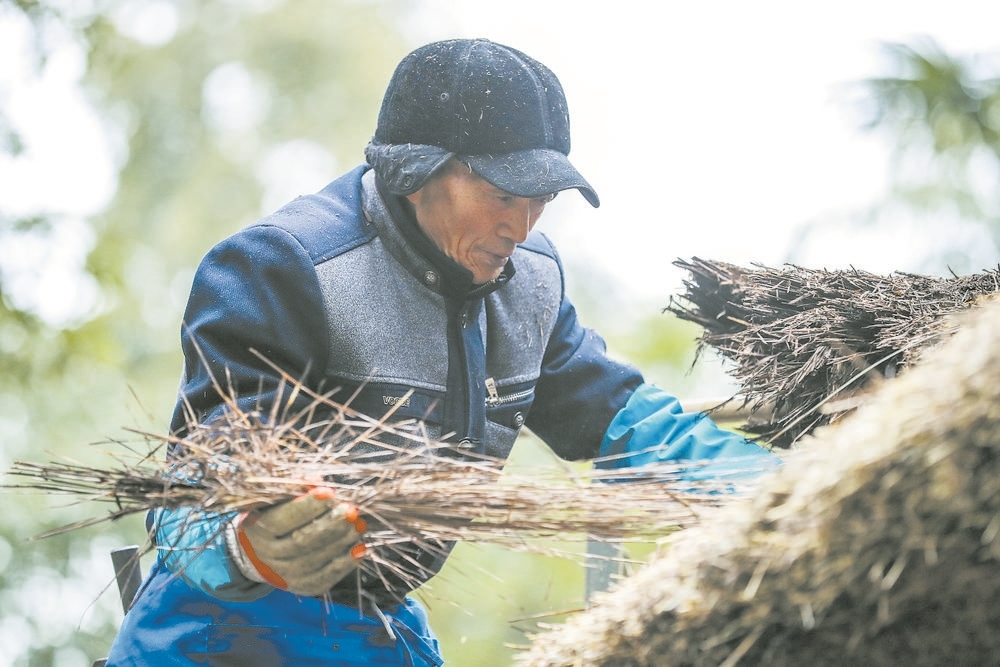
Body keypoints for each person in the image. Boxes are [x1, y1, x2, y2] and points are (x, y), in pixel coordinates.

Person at [105, 38, 771, 666]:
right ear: (417, 172)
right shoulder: (286, 267)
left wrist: (780, 486)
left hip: (371, 626)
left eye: (540, 199)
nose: (521, 224)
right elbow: (195, 490)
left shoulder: (529, 285)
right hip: (221, 635)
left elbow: (625, 418)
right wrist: (244, 543)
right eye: (502, 195)